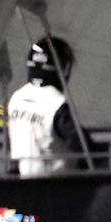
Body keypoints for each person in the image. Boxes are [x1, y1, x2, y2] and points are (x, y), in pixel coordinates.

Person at [7, 36, 86, 176]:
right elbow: (82, 144)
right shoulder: (56, 103)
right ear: (63, 69)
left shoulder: (17, 98)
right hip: (57, 186)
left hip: (22, 181)